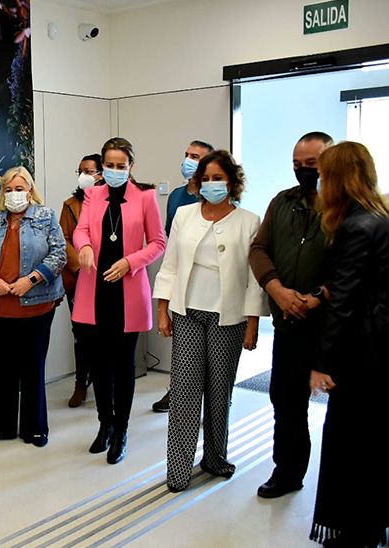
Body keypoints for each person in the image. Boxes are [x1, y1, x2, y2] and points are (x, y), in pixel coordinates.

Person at [153, 150, 265, 491]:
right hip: (187, 312)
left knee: (219, 392)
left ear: (232, 182)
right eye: (206, 178)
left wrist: (253, 322)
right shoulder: (184, 216)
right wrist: (162, 309)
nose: (211, 184)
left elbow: (253, 278)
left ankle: (215, 457)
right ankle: (178, 468)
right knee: (185, 392)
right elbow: (169, 265)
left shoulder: (248, 221)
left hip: (228, 318)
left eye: (219, 178)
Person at [308, 142, 389, 547]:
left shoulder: (355, 227)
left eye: (323, 176)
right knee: (374, 443)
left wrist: (322, 363)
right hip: (379, 349)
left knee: (351, 443)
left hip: (362, 354)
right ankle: (372, 525)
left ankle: (357, 531)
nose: (319, 183)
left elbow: (345, 304)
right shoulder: (379, 215)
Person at [249, 131, 332, 499]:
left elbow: (353, 264)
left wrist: (317, 296)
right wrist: (277, 290)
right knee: (285, 399)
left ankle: (341, 487)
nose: (303, 172)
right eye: (297, 165)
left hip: (332, 325)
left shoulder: (344, 207)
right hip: (287, 322)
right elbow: (259, 249)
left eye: (311, 165)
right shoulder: (282, 202)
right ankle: (288, 471)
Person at [73, 137, 166, 464]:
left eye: (120, 166)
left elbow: (158, 242)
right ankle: (105, 425)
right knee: (98, 365)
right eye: (109, 166)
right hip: (94, 291)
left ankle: (122, 430)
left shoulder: (145, 197)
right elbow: (80, 230)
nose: (114, 171)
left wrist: (132, 261)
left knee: (123, 366)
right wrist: (84, 245)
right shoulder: (92, 195)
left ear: (131, 167)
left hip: (126, 291)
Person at [0, 166, 66, 448]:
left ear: (30, 191)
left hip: (35, 305)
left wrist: (32, 280)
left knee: (32, 368)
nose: (14, 195)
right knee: (0, 369)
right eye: (9, 189)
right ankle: (0, 427)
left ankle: (35, 429)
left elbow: (59, 253)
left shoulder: (45, 217)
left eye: (20, 188)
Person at [153, 139, 215, 413]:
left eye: (196, 156)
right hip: (181, 280)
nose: (189, 160)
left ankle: (213, 404)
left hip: (211, 285)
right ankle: (177, 391)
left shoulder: (217, 195)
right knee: (182, 349)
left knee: (212, 355)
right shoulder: (177, 196)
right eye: (187, 154)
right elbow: (171, 239)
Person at [60, 154, 102, 407]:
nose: (84, 175)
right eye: (81, 170)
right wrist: (80, 266)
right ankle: (80, 384)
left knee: (105, 334)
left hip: (106, 277)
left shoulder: (113, 201)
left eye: (90, 170)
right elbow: (63, 238)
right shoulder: (70, 205)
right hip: (78, 279)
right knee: (82, 334)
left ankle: (104, 382)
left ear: (101, 173)